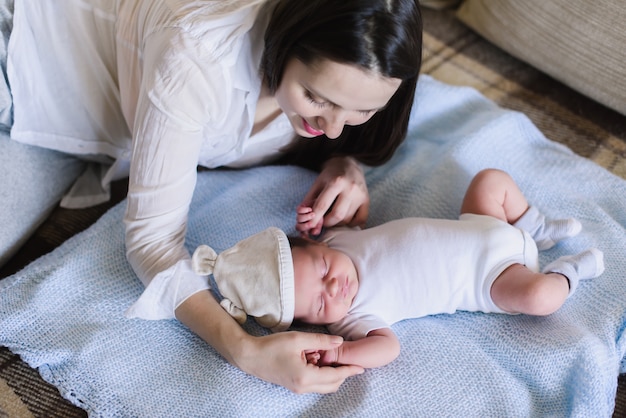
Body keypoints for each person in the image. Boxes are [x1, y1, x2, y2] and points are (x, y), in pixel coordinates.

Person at [0, 0, 422, 392]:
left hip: (114, 126)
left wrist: (343, 163)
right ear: (288, 39)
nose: (333, 128)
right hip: (27, 62)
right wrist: (245, 350)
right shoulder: (195, 57)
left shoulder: (363, 71)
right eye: (315, 99)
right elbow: (151, 241)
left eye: (361, 112)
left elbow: (340, 126)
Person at [191, 169, 605, 369]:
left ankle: (534, 224)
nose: (333, 286)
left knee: (489, 180)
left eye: (321, 269)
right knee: (540, 298)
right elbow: (389, 347)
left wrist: (325, 216)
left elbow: (356, 213)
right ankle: (570, 271)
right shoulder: (353, 319)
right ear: (313, 322)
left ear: (317, 245)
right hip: (495, 277)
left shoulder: (338, 239)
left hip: (480, 222)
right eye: (319, 302)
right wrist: (344, 353)